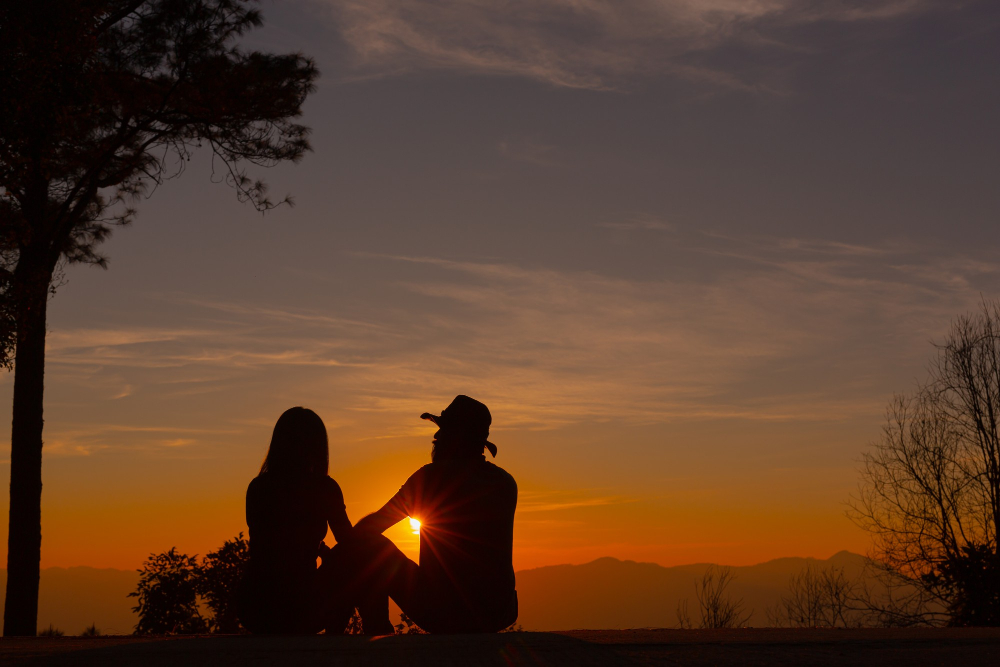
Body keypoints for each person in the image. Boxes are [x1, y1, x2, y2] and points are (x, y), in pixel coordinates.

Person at [343, 395, 518, 634]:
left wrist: (338, 556)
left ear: (455, 439)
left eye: (442, 432)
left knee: (371, 546)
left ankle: (377, 634)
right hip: (499, 612)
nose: (435, 437)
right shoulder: (505, 483)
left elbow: (372, 527)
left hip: (444, 612)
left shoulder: (430, 478)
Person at [238, 407, 354, 634]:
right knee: (358, 561)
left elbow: (263, 547)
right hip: (302, 607)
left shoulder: (258, 487)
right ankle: (342, 640)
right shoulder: (324, 488)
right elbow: (350, 545)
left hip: (254, 607)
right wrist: (329, 557)